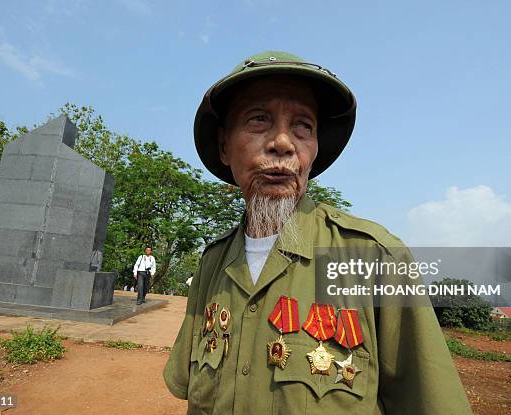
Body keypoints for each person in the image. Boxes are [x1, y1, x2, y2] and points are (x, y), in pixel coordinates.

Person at [163, 51, 472, 414]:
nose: (283, 142)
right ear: (224, 146)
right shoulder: (212, 264)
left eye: (303, 126)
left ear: (313, 150)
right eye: (259, 120)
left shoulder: (375, 257)